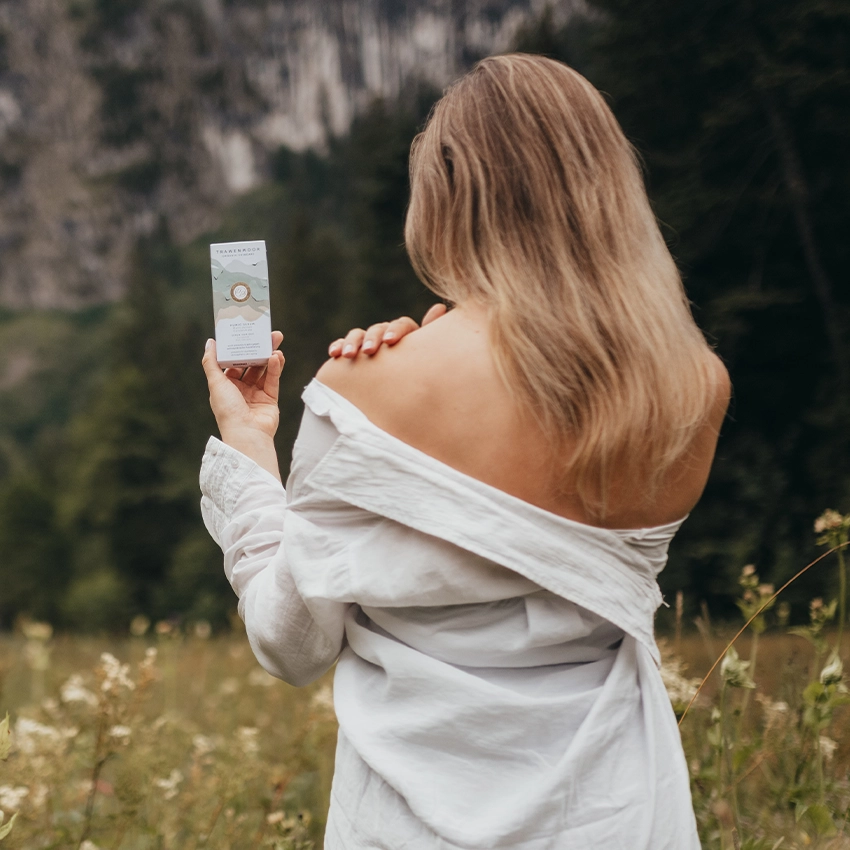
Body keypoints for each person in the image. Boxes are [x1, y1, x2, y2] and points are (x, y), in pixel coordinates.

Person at [200, 53, 729, 849]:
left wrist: (249, 442)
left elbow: (291, 641)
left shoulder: (372, 388)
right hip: (620, 815)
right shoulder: (692, 386)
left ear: (449, 192)